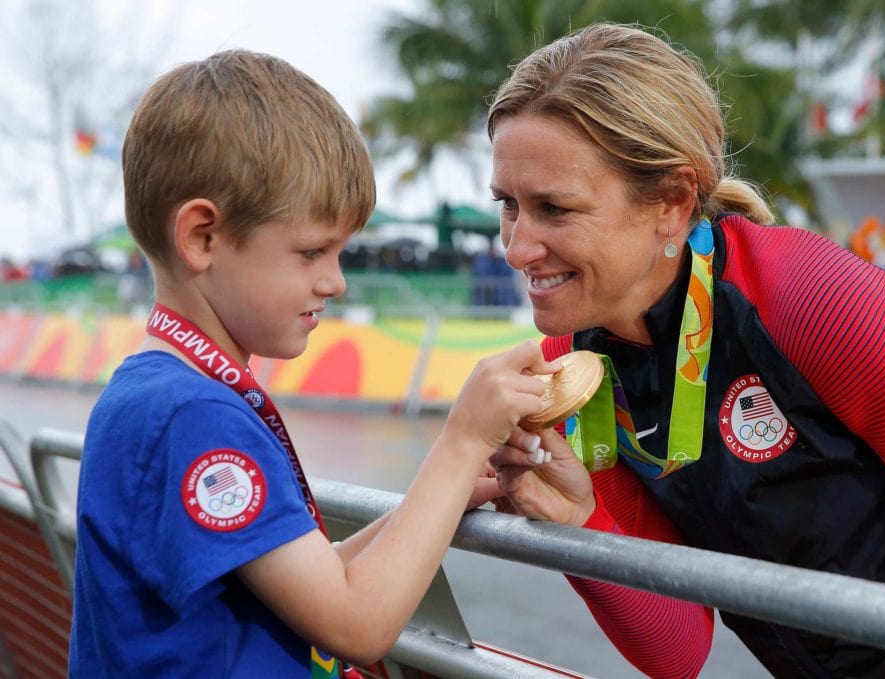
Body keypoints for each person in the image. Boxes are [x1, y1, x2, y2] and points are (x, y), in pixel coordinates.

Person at [484, 23, 885, 678]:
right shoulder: (576, 366)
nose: (515, 247)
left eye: (555, 208)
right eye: (508, 204)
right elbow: (678, 651)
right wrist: (576, 520)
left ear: (674, 203)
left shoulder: (810, 302)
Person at [70, 49, 558, 678]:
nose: (336, 282)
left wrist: (435, 501)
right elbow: (356, 624)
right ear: (202, 237)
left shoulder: (154, 393)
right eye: (311, 252)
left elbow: (316, 582)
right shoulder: (191, 415)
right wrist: (461, 443)